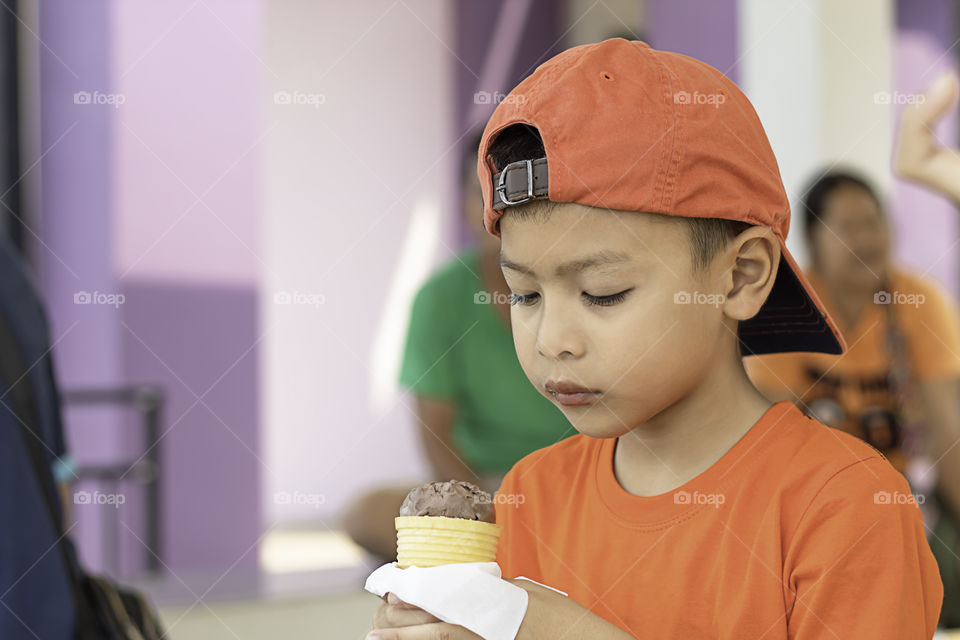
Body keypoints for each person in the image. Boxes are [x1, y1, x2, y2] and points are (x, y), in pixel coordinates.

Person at [366, 38, 942, 639]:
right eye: (525, 295)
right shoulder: (528, 496)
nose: (553, 339)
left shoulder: (846, 506)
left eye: (603, 293)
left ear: (742, 275)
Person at [342, 135, 572, 562]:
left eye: (517, 195)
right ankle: (510, 551)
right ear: (466, 206)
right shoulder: (440, 297)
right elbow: (435, 431)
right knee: (364, 513)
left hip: (578, 482)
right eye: (482, 193)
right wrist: (479, 511)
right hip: (486, 484)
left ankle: (512, 554)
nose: (501, 211)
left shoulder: (584, 285)